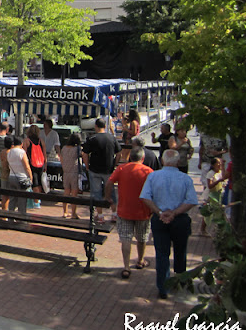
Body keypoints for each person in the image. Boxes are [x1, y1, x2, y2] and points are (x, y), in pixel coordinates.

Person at [139, 149, 199, 299]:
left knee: (162, 253)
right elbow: (192, 200)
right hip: (179, 219)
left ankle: (163, 287)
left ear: (163, 160)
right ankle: (180, 280)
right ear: (178, 162)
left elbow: (145, 197)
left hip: (160, 218)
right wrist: (175, 212)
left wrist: (159, 212)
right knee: (180, 251)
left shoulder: (153, 176)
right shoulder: (185, 179)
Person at [104, 147, 154, 279]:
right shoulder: (148, 171)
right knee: (142, 237)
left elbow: (109, 183)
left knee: (126, 238)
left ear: (130, 157)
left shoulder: (121, 169)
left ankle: (126, 267)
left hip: (124, 210)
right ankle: (140, 260)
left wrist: (108, 197)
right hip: (143, 210)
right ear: (142, 158)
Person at [82, 118, 122, 223]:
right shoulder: (112, 138)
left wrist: (87, 166)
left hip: (94, 169)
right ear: (105, 126)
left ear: (96, 126)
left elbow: (84, 154)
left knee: (96, 193)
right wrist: (114, 163)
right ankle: (114, 214)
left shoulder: (92, 139)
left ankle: (100, 215)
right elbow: (119, 153)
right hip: (108, 169)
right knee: (111, 191)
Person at [199, 157, 227, 235]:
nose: (219, 165)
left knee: (220, 213)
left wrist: (223, 167)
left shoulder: (220, 171)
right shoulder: (210, 173)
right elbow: (210, 185)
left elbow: (224, 177)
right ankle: (202, 229)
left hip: (219, 194)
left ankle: (219, 230)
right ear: (213, 165)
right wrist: (218, 181)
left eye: (220, 163)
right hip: (211, 196)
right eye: (218, 163)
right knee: (208, 213)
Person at [6, 136, 33, 214]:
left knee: (12, 199)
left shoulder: (9, 152)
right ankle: (21, 218)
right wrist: (30, 177)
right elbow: (27, 166)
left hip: (11, 176)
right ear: (21, 144)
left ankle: (10, 217)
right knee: (22, 200)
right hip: (21, 178)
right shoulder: (22, 152)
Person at [23, 124, 47, 206]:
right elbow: (44, 155)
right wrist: (45, 165)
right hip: (41, 164)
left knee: (34, 182)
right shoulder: (41, 141)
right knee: (40, 182)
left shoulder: (26, 141)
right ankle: (38, 199)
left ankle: (36, 201)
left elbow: (24, 154)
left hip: (31, 164)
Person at [60, 133, 82, 219]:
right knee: (74, 193)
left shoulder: (64, 148)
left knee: (66, 192)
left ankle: (65, 212)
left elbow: (61, 159)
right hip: (74, 171)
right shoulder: (77, 149)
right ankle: (73, 213)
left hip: (65, 171)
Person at [0, 136, 14, 211]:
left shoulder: (2, 152)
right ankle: (7, 212)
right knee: (9, 195)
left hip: (2, 174)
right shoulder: (10, 152)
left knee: (4, 195)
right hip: (9, 175)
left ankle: (4, 211)